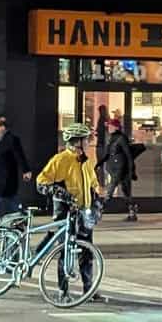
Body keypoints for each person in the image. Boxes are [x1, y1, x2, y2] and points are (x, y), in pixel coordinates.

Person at [37, 122, 103, 297]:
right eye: (85, 139)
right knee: (65, 251)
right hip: (65, 213)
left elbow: (93, 182)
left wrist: (98, 196)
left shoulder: (86, 161)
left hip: (83, 212)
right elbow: (41, 182)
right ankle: (63, 291)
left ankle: (89, 290)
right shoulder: (60, 160)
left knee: (86, 251)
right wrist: (58, 192)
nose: (88, 142)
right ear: (76, 142)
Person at [0, 116, 32, 229]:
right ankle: (19, 219)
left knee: (3, 198)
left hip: (7, 176)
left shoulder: (12, 139)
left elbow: (19, 156)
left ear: (3, 127)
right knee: (8, 199)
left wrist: (26, 170)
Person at [99, 116, 139, 222]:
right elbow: (107, 154)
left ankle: (99, 211)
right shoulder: (111, 138)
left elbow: (128, 155)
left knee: (110, 189)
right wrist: (98, 164)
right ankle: (132, 211)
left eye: (110, 126)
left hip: (120, 169)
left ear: (116, 127)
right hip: (113, 168)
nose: (109, 128)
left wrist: (132, 170)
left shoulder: (121, 138)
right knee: (125, 191)